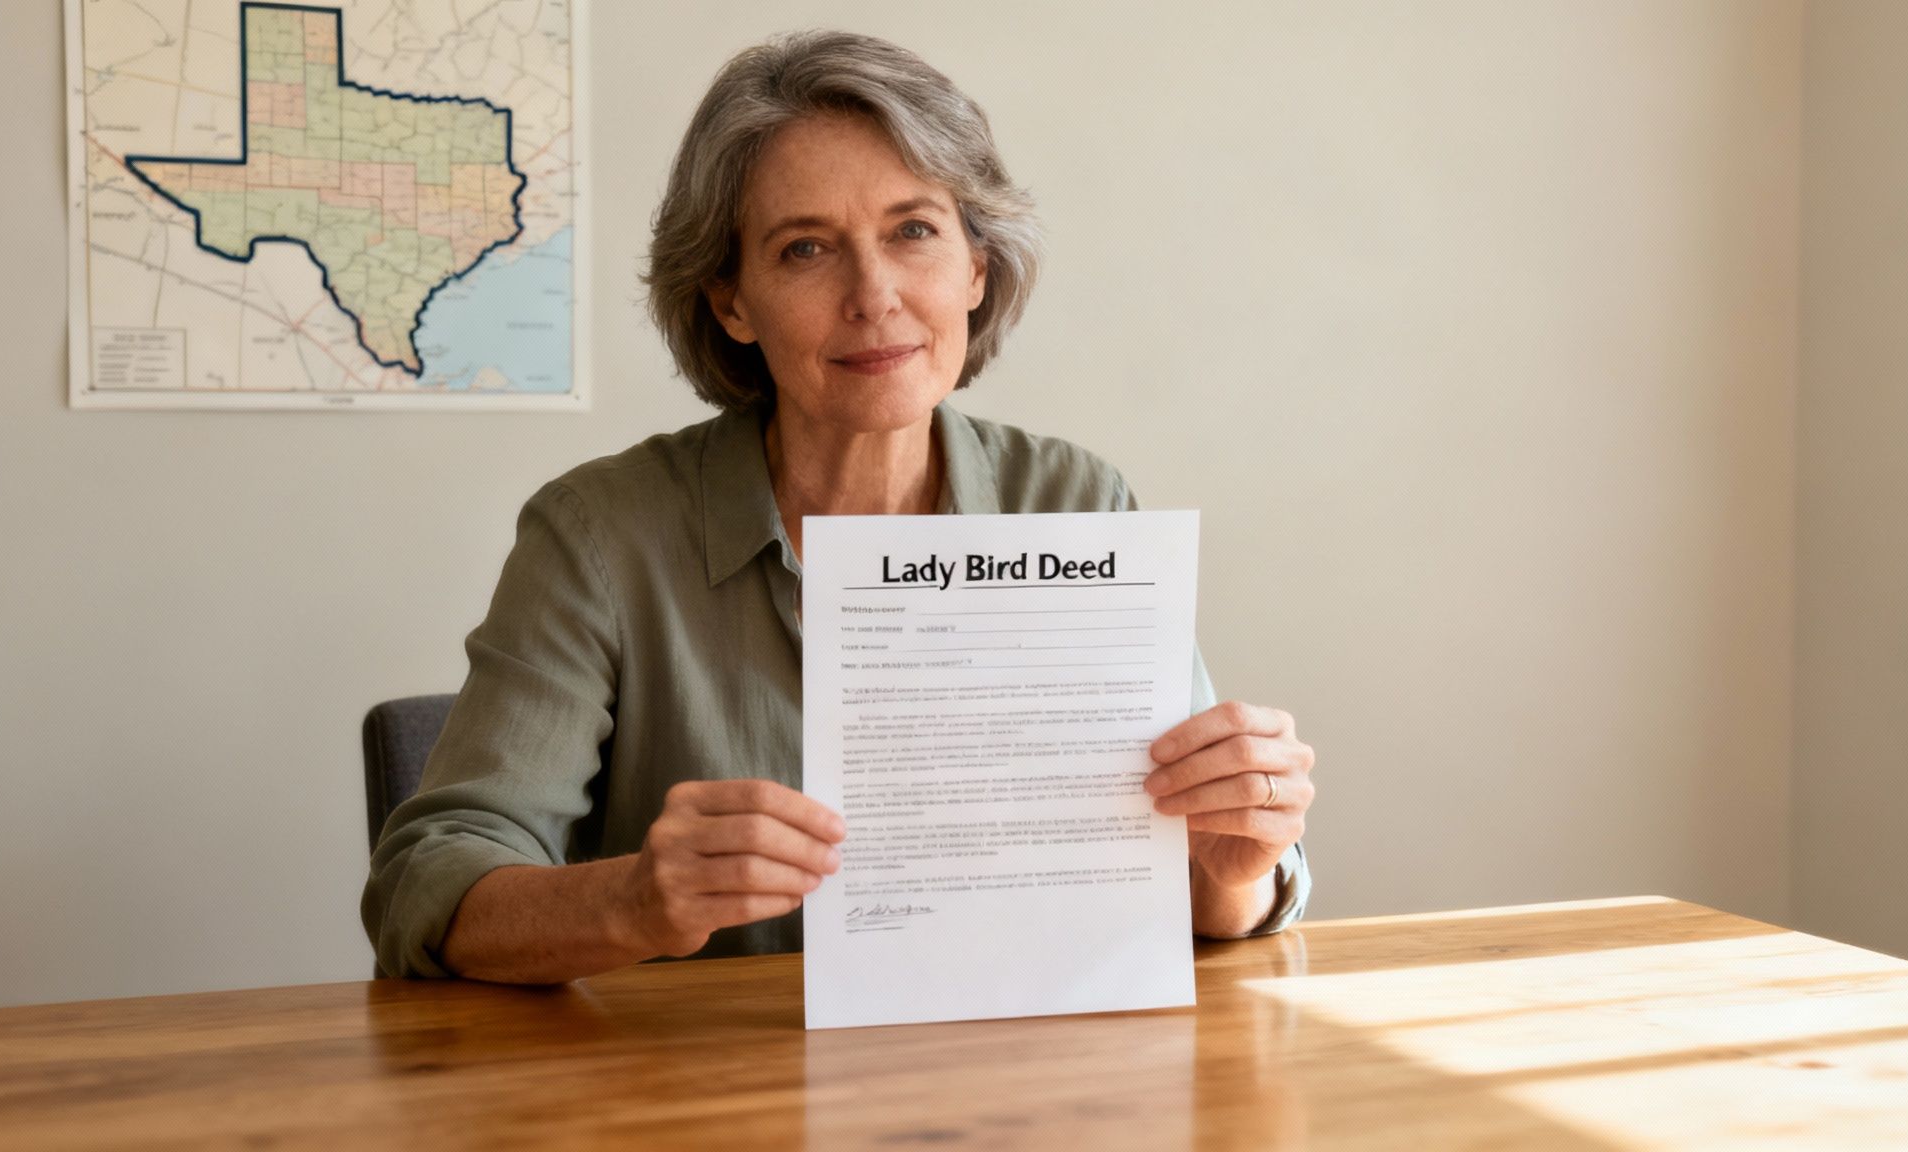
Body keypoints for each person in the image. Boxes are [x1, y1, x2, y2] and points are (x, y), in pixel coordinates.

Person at [362, 30, 1315, 983]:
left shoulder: (1076, 505)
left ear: (976, 269)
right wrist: (633, 901)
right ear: (732, 302)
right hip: (708, 1099)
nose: (874, 296)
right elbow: (429, 883)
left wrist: (1238, 868)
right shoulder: (600, 537)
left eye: (913, 231)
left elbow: (1199, 886)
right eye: (806, 248)